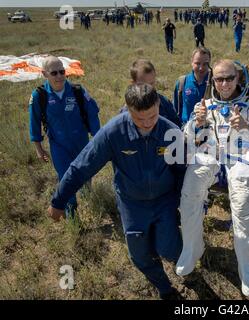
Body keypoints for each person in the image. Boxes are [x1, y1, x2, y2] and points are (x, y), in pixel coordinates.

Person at [47, 83, 186, 300]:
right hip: (132, 203)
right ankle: (165, 288)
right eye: (140, 119)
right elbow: (82, 166)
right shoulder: (113, 133)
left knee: (170, 248)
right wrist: (58, 201)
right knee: (139, 254)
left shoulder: (171, 131)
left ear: (158, 105)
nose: (148, 124)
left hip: (164, 201)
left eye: (153, 116)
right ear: (128, 110)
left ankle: (177, 258)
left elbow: (182, 171)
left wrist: (181, 204)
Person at [175, 59, 249, 298]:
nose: (224, 83)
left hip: (241, 158)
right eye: (219, 79)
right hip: (211, 156)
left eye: (229, 78)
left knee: (242, 207)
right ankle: (192, 248)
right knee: (189, 194)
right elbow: (186, 137)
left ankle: (245, 269)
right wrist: (197, 123)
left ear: (239, 78)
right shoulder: (205, 104)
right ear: (213, 81)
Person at [29, 56, 100, 218]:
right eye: (54, 73)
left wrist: (98, 138)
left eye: (62, 72)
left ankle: (88, 191)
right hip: (59, 146)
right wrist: (39, 149)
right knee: (66, 178)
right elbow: (34, 122)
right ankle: (71, 212)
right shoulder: (40, 96)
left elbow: (92, 115)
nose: (59, 76)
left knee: (86, 172)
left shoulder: (77, 91)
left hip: (82, 143)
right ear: (44, 74)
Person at [128, 59, 180, 127]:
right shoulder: (127, 110)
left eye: (151, 83)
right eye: (143, 85)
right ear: (133, 83)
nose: (149, 89)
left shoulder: (164, 103)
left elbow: (176, 126)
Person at [173, 46, 211, 125]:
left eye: (205, 64)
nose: (201, 68)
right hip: (186, 130)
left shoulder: (215, 83)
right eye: (197, 63)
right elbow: (175, 109)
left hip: (208, 130)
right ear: (191, 62)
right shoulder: (182, 82)